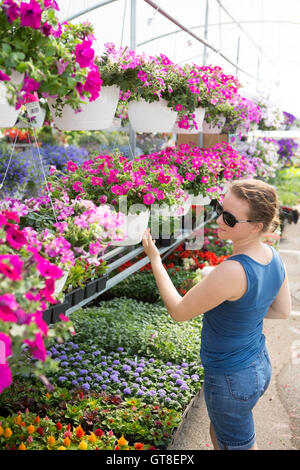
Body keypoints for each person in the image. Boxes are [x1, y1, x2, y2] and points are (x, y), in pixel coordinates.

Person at [142, 178, 292, 451]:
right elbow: (283, 311)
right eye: (219, 209)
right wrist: (245, 311)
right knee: (223, 431)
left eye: (230, 218)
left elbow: (178, 311)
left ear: (256, 226)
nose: (220, 220)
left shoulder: (232, 271)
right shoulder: (272, 255)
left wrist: (155, 259)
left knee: (239, 444)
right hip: (258, 364)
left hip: (230, 377)